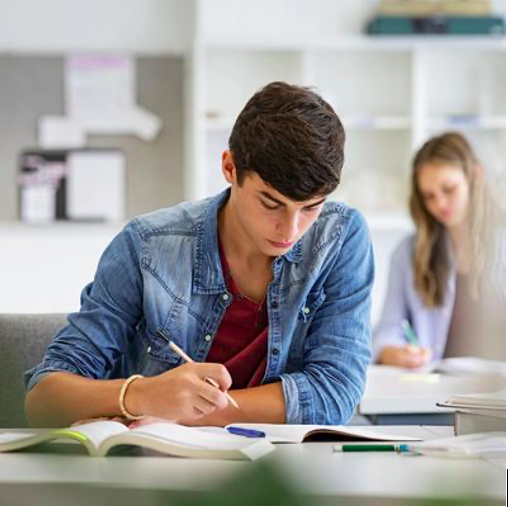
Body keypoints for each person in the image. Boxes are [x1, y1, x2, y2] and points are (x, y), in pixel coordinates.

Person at [24, 82, 374, 427]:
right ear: (229, 167)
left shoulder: (340, 237)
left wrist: (182, 414)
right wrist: (143, 395)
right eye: (271, 203)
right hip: (162, 470)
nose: (291, 229)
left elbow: (335, 395)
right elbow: (43, 398)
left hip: (280, 472)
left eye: (311, 207)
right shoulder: (146, 245)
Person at [373, 132, 505, 368]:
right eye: (429, 196)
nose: (440, 204)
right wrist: (396, 353)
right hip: (437, 394)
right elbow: (386, 332)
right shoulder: (408, 253)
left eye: (449, 189)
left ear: (475, 176)